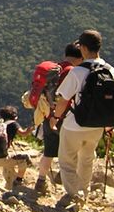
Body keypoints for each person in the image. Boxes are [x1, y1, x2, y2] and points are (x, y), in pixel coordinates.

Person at [49, 30, 114, 210]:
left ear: (82, 48)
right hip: (97, 126)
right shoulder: (111, 71)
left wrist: (55, 118)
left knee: (67, 161)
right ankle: (85, 190)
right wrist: (109, 124)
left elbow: (64, 100)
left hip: (75, 124)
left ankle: (76, 194)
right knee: (87, 158)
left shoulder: (78, 72)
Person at [33, 41, 84, 195]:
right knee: (72, 151)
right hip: (65, 117)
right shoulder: (72, 72)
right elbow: (68, 97)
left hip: (48, 115)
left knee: (48, 151)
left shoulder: (55, 69)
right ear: (80, 57)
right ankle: (69, 184)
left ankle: (41, 180)